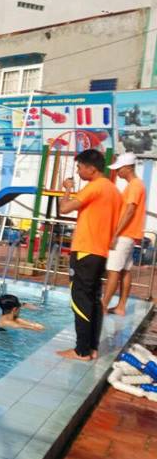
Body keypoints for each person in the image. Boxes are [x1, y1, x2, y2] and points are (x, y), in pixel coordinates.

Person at [56, 149, 122, 361]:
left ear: (91, 168)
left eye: (80, 167)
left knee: (80, 299)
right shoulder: (113, 190)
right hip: (100, 252)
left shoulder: (94, 187)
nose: (78, 171)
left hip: (85, 250)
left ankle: (81, 351)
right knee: (94, 300)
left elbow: (64, 208)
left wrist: (67, 189)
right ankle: (92, 348)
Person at [103, 152, 146, 316]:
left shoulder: (134, 185)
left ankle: (103, 306)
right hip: (130, 234)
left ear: (128, 168)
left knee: (113, 270)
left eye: (119, 169)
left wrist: (115, 234)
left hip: (124, 234)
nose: (117, 172)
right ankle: (121, 306)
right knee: (125, 271)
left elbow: (129, 210)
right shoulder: (136, 185)